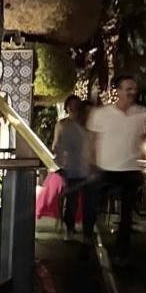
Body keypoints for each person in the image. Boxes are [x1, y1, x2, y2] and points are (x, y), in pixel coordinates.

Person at [83, 74, 146, 265]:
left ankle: (122, 252)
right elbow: (92, 140)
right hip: (105, 168)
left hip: (130, 168)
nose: (132, 92)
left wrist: (145, 154)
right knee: (92, 206)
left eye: (134, 88)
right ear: (118, 91)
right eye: (128, 88)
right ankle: (87, 241)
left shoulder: (142, 113)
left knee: (126, 214)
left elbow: (145, 138)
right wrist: (91, 164)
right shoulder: (101, 114)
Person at [52, 94, 92, 247]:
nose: (74, 108)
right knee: (71, 201)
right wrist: (59, 161)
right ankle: (69, 228)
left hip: (86, 166)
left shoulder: (86, 125)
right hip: (70, 167)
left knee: (87, 201)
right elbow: (56, 145)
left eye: (76, 105)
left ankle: (86, 231)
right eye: (71, 105)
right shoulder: (62, 125)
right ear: (67, 108)